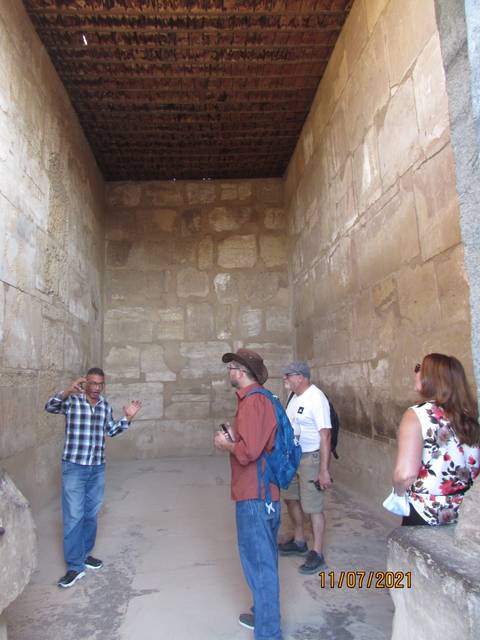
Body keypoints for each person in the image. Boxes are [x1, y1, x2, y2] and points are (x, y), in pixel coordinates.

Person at [45, 367, 142, 588]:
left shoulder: (104, 406)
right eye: (93, 383)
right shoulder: (72, 401)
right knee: (73, 516)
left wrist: (127, 417)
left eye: (100, 384)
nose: (97, 388)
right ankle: (74, 566)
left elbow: (111, 431)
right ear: (85, 383)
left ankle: (84, 554)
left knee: (90, 514)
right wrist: (67, 390)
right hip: (74, 468)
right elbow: (50, 406)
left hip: (96, 468)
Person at [214, 348, 282, 640]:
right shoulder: (256, 401)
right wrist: (236, 438)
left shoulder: (254, 403)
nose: (229, 371)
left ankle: (269, 632)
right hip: (260, 492)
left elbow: (249, 452)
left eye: (231, 367)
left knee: (260, 564)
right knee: (262, 560)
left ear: (241, 371)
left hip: (256, 495)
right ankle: (263, 614)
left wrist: (225, 444)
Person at [393, 353, 480, 525]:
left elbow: (405, 474)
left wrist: (397, 492)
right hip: (465, 510)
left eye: (419, 368)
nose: (415, 373)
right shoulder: (470, 415)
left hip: (426, 510)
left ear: (431, 377)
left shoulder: (417, 414)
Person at [278, 361, 332, 574]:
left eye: (288, 375)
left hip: (311, 458)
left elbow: (325, 434)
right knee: (290, 497)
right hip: (292, 457)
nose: (285, 379)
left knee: (313, 506)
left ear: (300, 377)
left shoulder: (316, 398)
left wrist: (324, 470)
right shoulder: (294, 397)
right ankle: (299, 540)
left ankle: (317, 552)